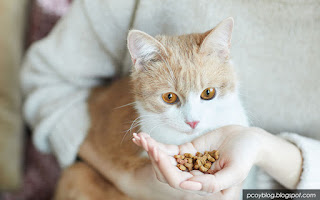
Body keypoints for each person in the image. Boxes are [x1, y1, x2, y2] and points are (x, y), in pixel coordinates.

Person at [21, 0, 320, 198]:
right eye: (169, 98)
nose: (193, 119)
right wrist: (132, 181)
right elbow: (47, 81)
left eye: (207, 94)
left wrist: (266, 151)